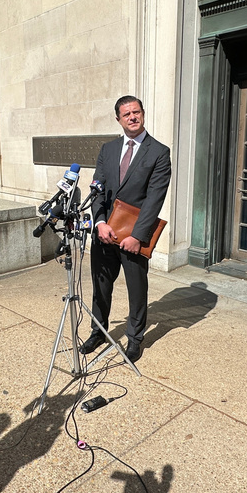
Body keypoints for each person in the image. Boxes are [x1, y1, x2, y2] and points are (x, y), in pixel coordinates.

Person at [80, 96, 171, 364]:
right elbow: (97, 188)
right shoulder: (108, 149)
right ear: (118, 119)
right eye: (126, 114)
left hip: (133, 235)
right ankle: (98, 331)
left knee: (136, 289)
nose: (132, 117)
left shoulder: (158, 152)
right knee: (100, 286)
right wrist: (99, 222)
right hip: (104, 233)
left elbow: (155, 198)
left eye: (136, 112)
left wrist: (138, 236)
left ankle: (135, 339)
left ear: (143, 114)